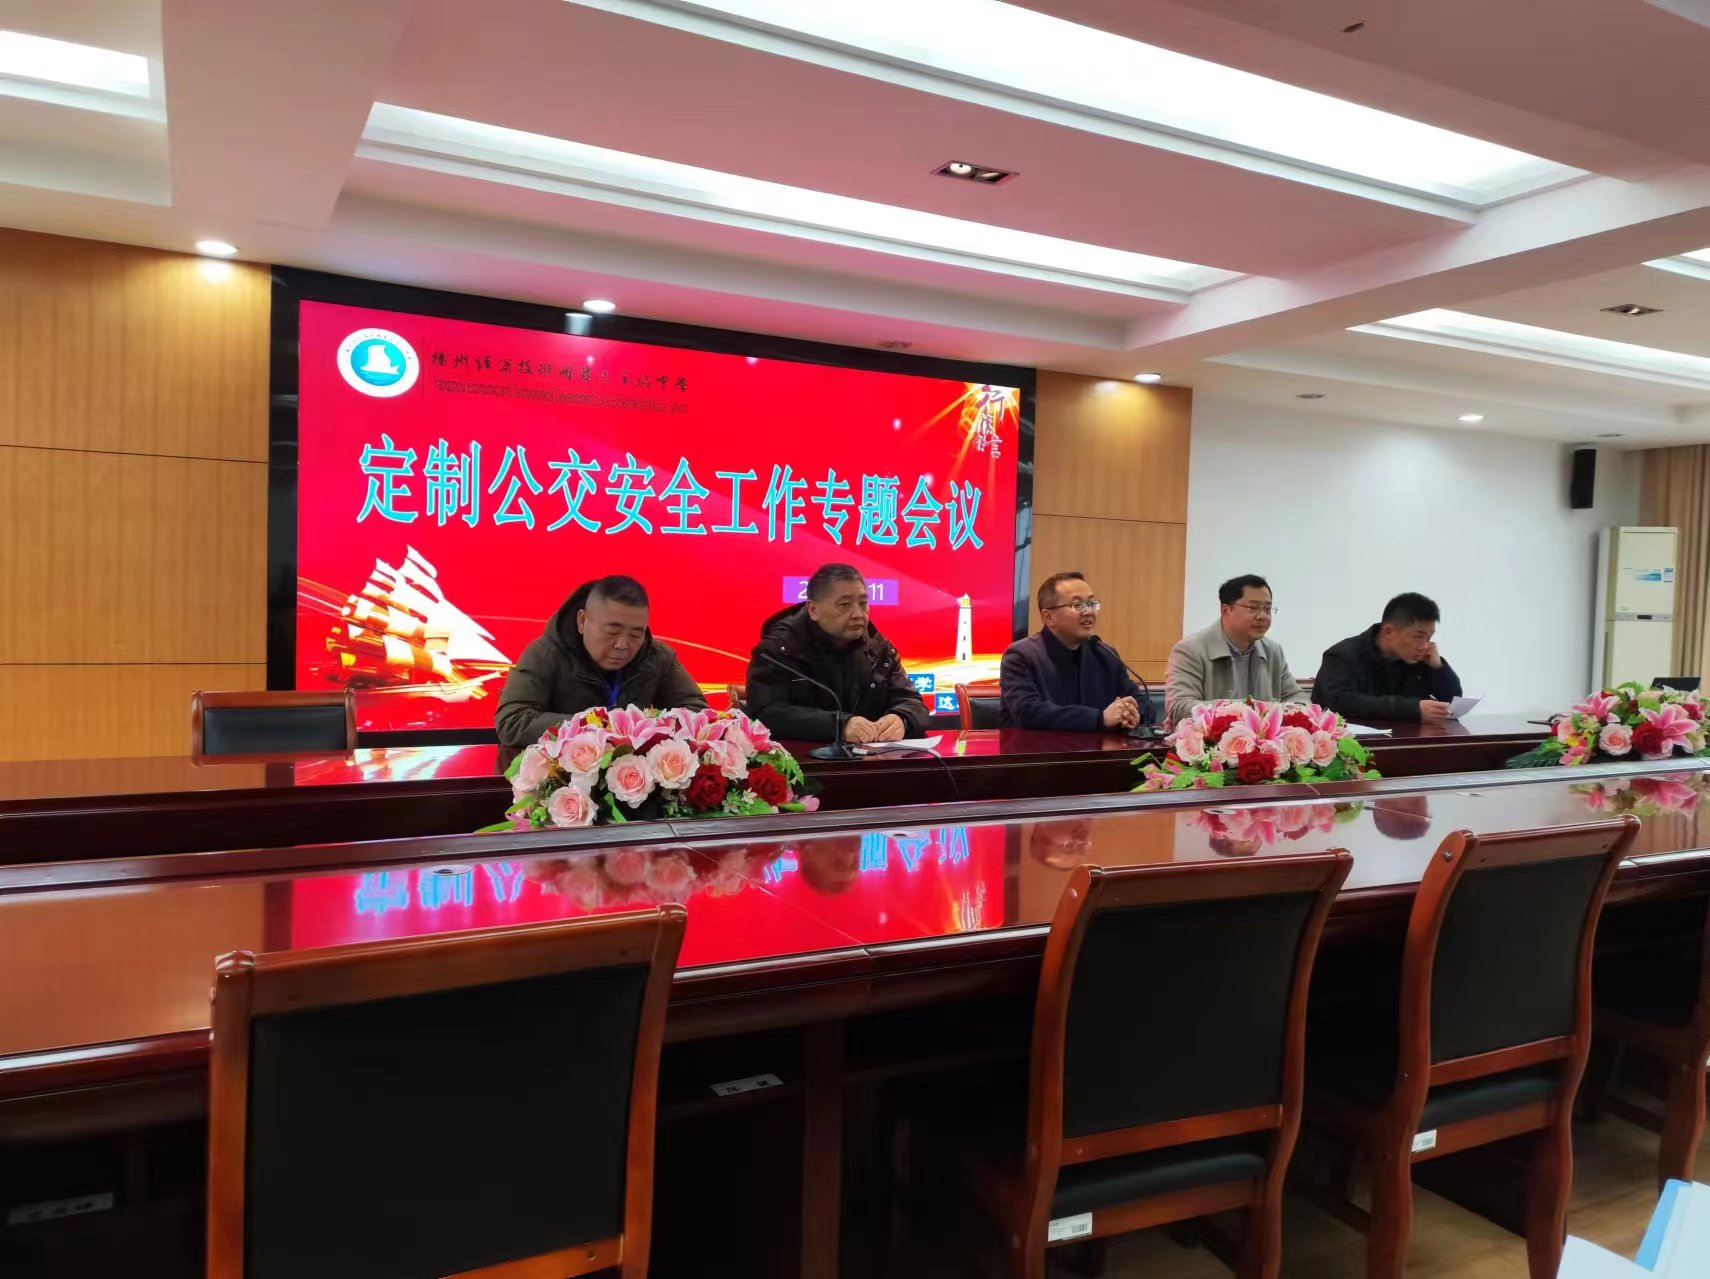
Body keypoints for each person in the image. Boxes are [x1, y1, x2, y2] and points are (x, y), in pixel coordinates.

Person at [494, 575, 706, 746]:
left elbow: (698, 713)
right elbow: (512, 721)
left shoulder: (657, 656)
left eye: (635, 634)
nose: (622, 645)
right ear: (582, 621)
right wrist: (594, 724)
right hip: (561, 776)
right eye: (612, 631)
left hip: (638, 777)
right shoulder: (545, 654)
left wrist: (645, 727)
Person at [746, 562, 929, 744]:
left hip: (871, 758)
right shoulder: (778, 650)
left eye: (863, 604)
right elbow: (767, 714)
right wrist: (838, 726)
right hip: (800, 759)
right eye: (845, 604)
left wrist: (903, 719)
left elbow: (913, 703)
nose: (858, 614)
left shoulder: (879, 649)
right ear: (813, 610)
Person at [1000, 571, 1152, 732]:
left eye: (1092, 603)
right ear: (1048, 617)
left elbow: (1142, 703)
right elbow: (1028, 712)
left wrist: (1132, 713)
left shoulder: (1105, 654)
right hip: (1036, 747)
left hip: (1100, 748)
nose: (1089, 611)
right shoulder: (1020, 655)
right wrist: (1099, 718)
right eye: (1077, 605)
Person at [1165, 574, 1308, 725]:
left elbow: (1300, 700)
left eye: (1267, 609)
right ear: (1226, 610)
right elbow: (1179, 708)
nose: (1262, 616)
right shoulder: (1190, 650)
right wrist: (1252, 709)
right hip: (1208, 738)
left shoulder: (1273, 651)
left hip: (1263, 738)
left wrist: (1271, 712)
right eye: (1253, 607)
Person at [1313, 592, 1463, 723]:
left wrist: (1438, 668)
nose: (1424, 645)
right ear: (1388, 632)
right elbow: (1341, 703)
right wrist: (1412, 709)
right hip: (1354, 742)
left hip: (1410, 740)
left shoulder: (1422, 658)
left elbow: (1453, 702)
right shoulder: (1342, 655)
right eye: (1418, 636)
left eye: (1429, 637)